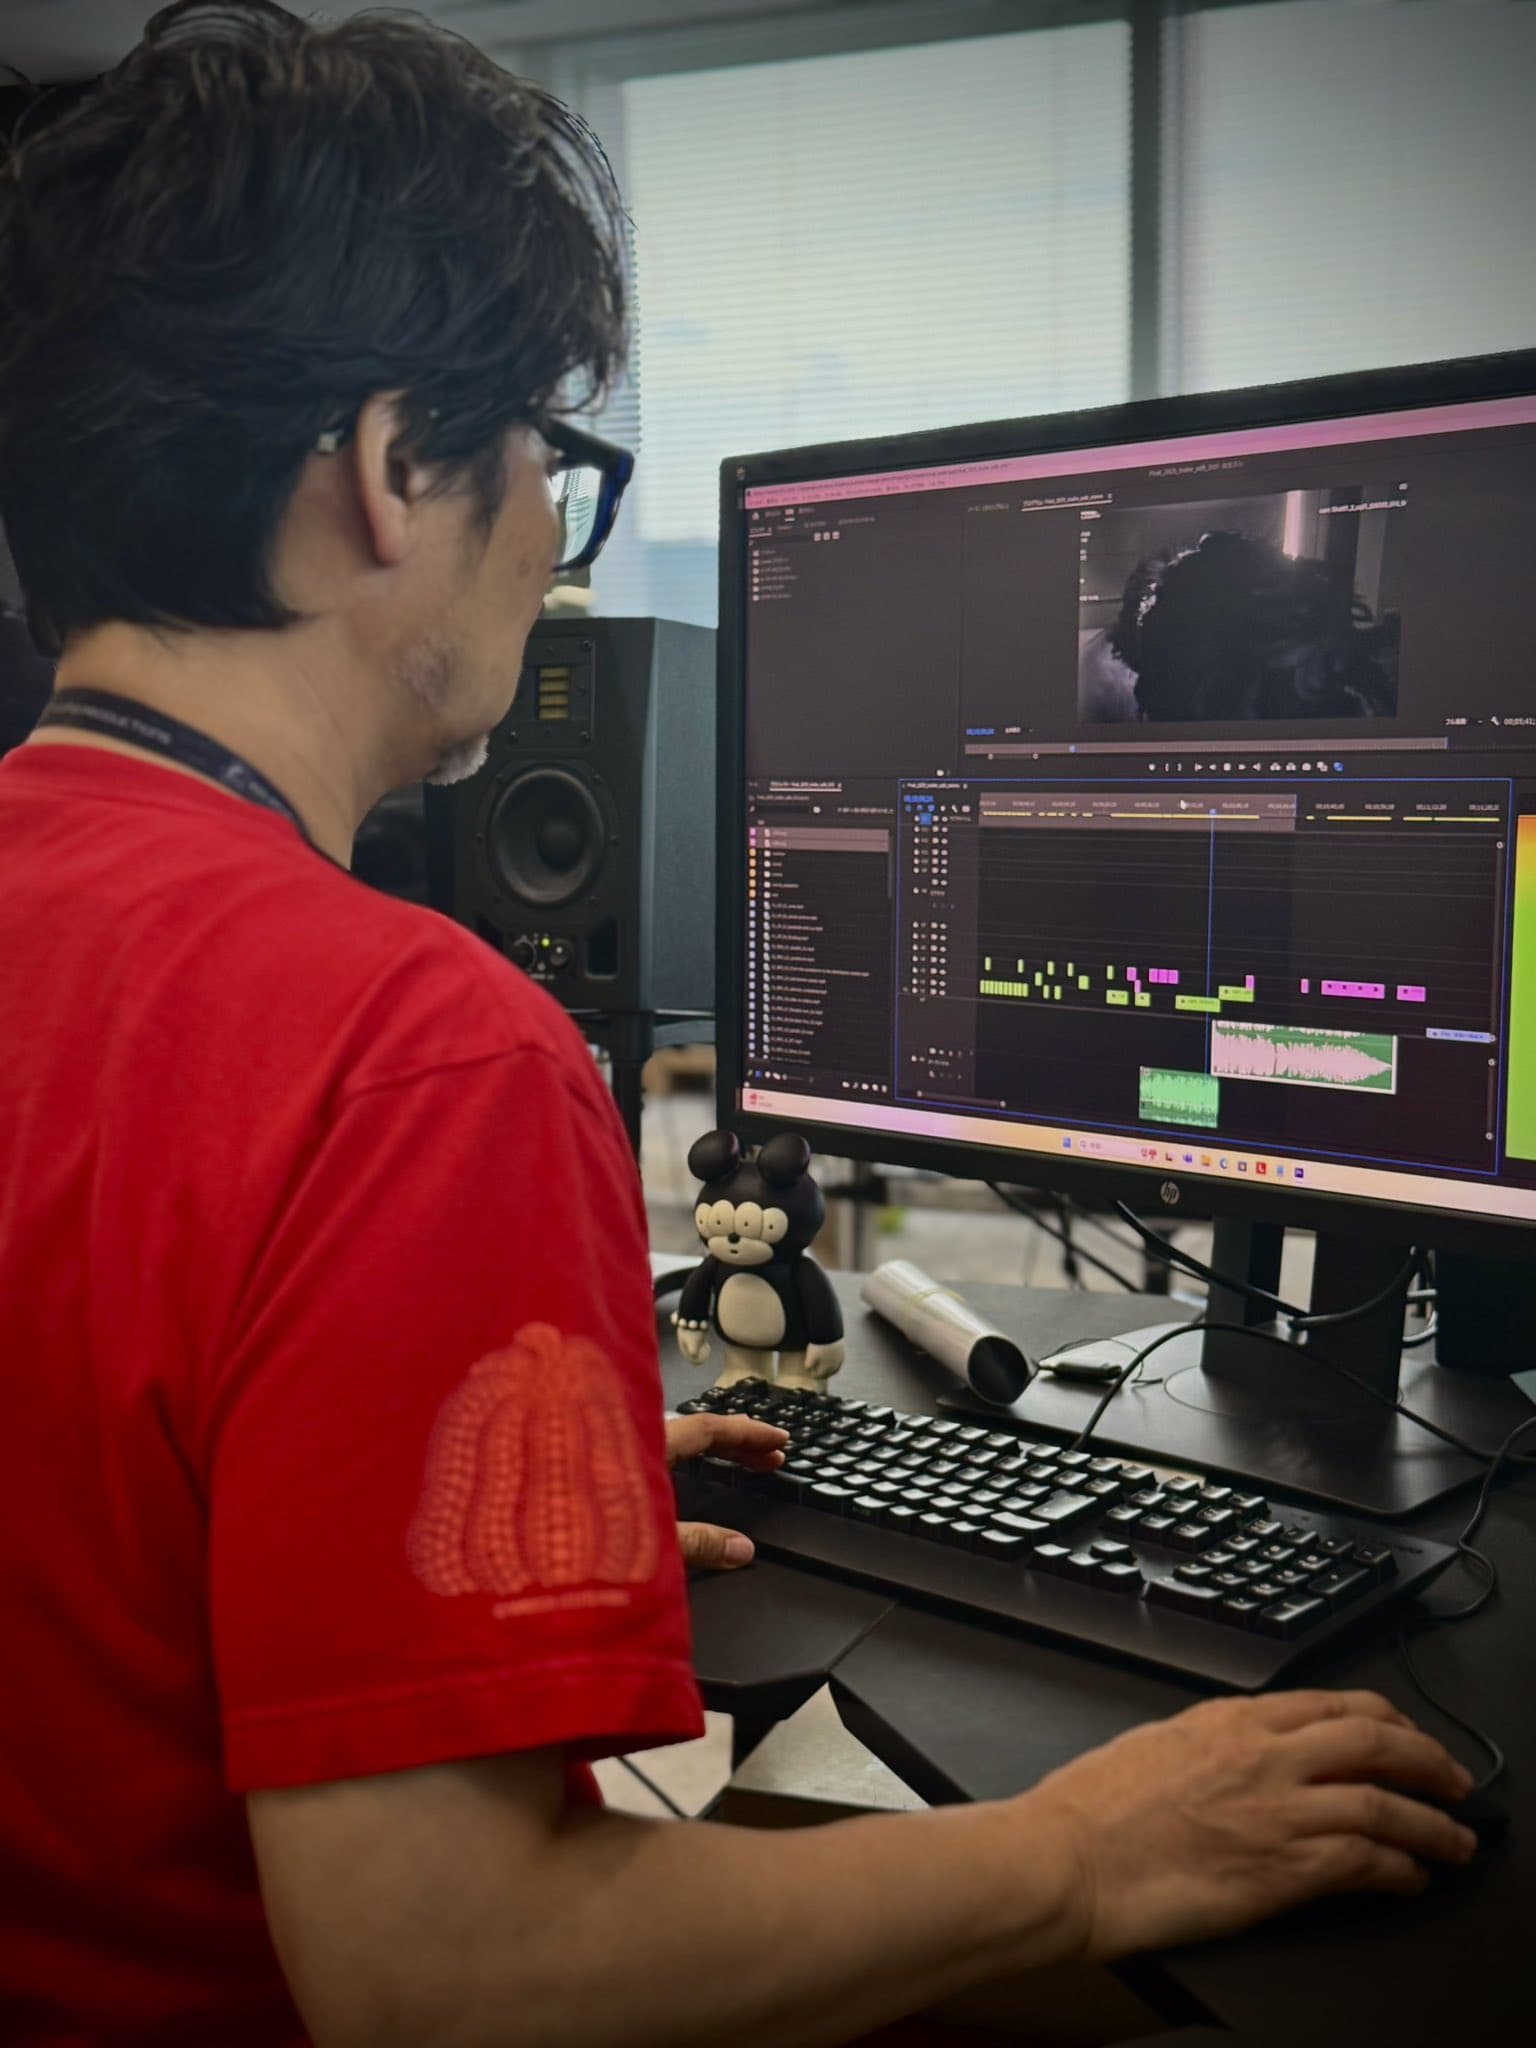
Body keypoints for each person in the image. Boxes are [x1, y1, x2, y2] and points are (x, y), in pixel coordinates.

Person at [0, 6, 1478, 2044]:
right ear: (389, 470)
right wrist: (1087, 1852)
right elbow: (448, 1977)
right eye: (556, 464)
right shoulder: (416, 1056)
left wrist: (443, 1517)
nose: (552, 543)